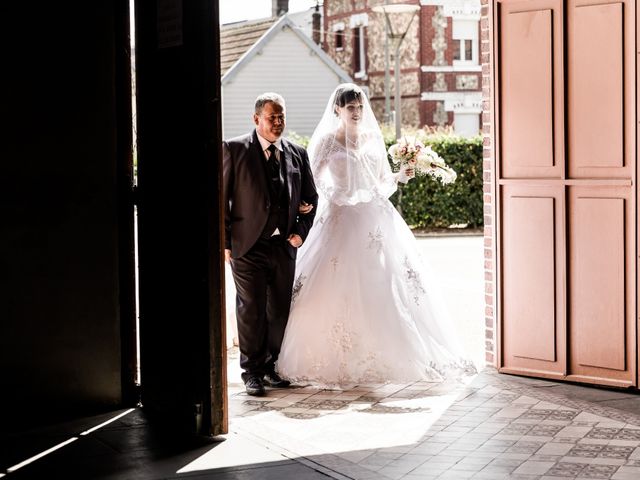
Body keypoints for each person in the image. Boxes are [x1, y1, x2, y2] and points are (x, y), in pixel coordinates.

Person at [276, 83, 475, 387]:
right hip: (340, 218)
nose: (356, 112)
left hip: (374, 218)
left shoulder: (372, 139)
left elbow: (383, 180)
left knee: (385, 282)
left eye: (359, 107)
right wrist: (335, 195)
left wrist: (403, 175)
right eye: (350, 107)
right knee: (337, 285)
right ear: (337, 110)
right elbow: (310, 182)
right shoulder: (328, 142)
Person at [223, 92, 318, 396]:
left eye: (281, 117)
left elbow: (311, 199)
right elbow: (219, 200)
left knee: (278, 310)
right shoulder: (235, 149)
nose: (277, 123)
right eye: (271, 117)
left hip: (282, 246)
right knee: (251, 308)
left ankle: (270, 366)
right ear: (256, 119)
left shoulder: (297, 153)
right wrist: (225, 242)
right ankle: (251, 372)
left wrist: (300, 232)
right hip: (247, 245)